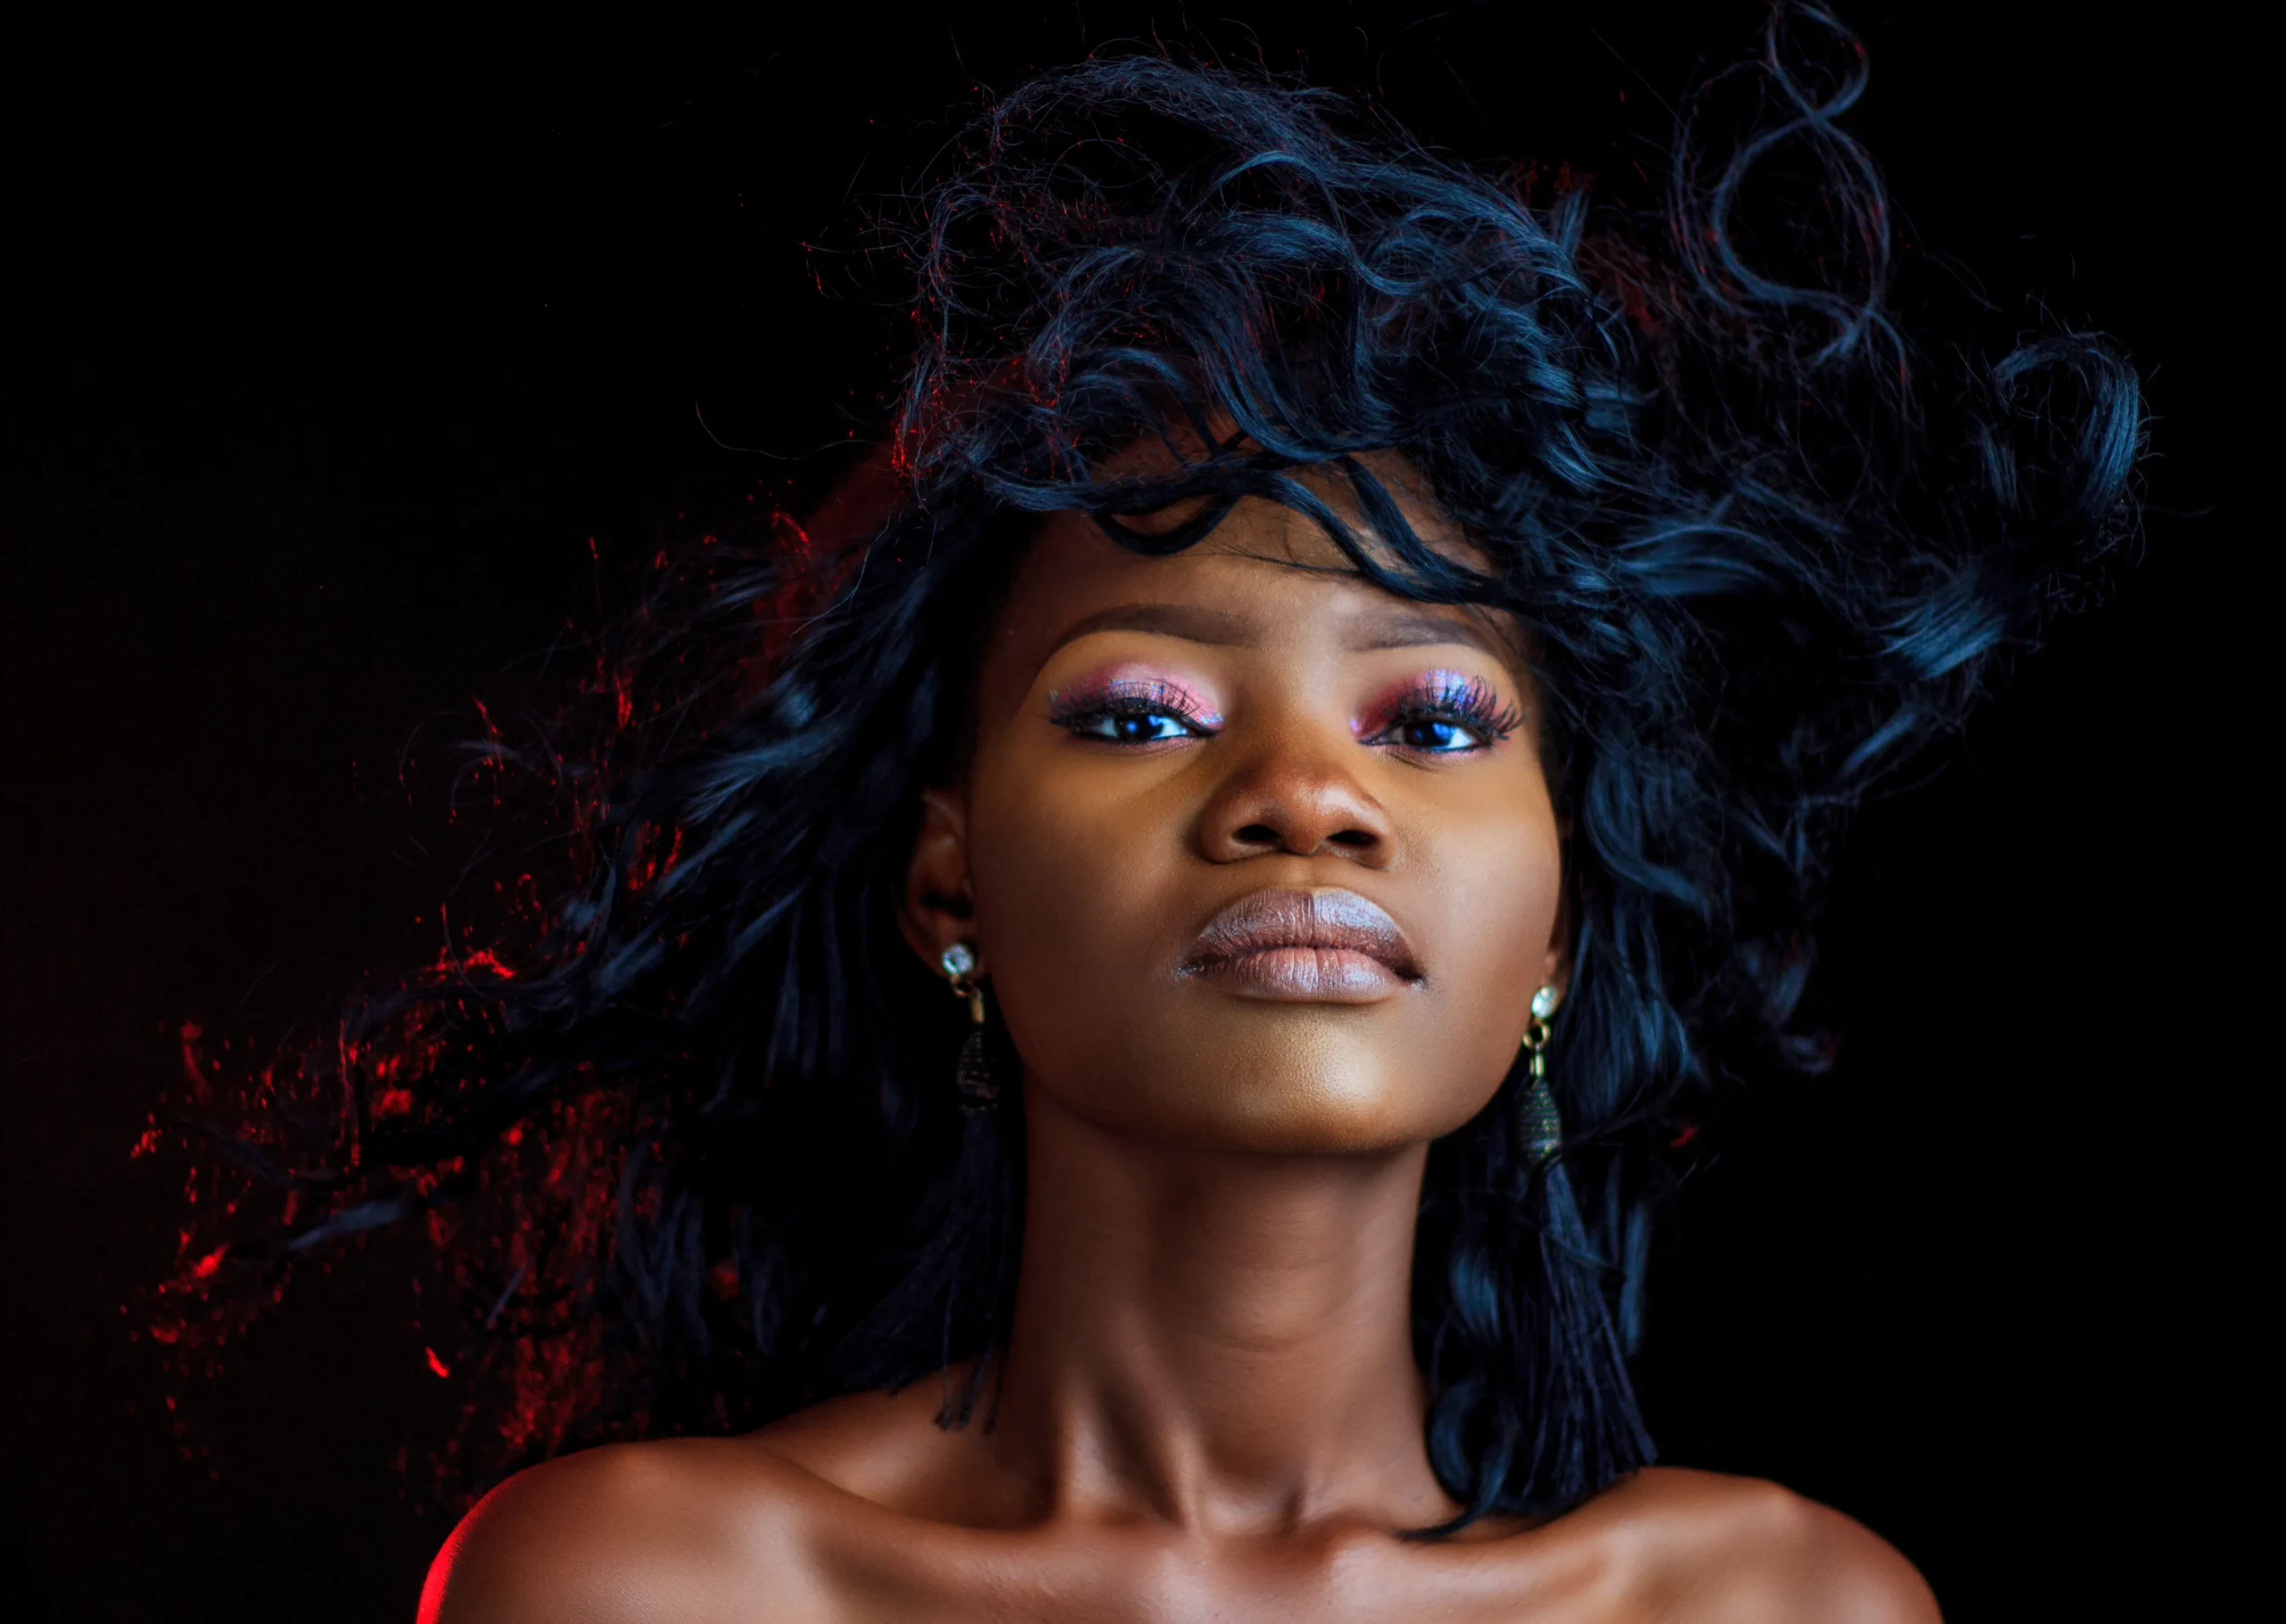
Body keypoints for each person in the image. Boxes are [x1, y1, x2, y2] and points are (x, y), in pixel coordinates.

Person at [168, 14, 2140, 1620]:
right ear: (947, 873)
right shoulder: (657, 1587)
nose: (1303, 796)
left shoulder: (1771, 1615)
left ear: (1555, 928)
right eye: (1139, 711)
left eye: (1435, 720)